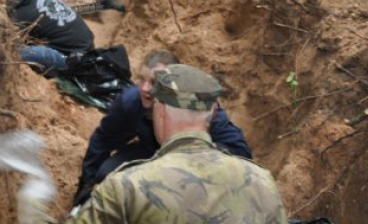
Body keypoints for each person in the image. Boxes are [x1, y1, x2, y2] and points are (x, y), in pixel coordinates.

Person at [17, 64, 287, 224]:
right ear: (212, 112)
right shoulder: (263, 182)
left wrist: (33, 197)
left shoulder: (127, 186)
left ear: (159, 109)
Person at [72, 50, 252, 207]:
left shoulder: (199, 109)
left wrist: (199, 160)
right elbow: (103, 140)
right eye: (141, 79)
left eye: (154, 82)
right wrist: (86, 188)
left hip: (193, 165)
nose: (144, 88)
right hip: (150, 152)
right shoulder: (131, 101)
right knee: (106, 174)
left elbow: (240, 152)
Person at [4, 0, 95, 76]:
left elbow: (14, 41)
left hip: (73, 59)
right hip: (88, 42)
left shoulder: (19, 15)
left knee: (15, 52)